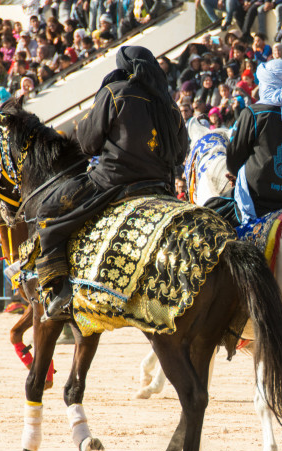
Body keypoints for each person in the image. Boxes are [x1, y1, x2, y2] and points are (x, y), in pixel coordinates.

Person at [37, 45, 188, 320]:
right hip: (160, 187)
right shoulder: (170, 105)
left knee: (48, 211)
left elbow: (87, 143)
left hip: (112, 182)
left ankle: (60, 290)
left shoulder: (115, 93)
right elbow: (180, 153)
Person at [208, 59, 282, 226]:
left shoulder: (253, 114)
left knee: (205, 217)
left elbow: (234, 157)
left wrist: (236, 173)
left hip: (259, 201)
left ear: (268, 84)